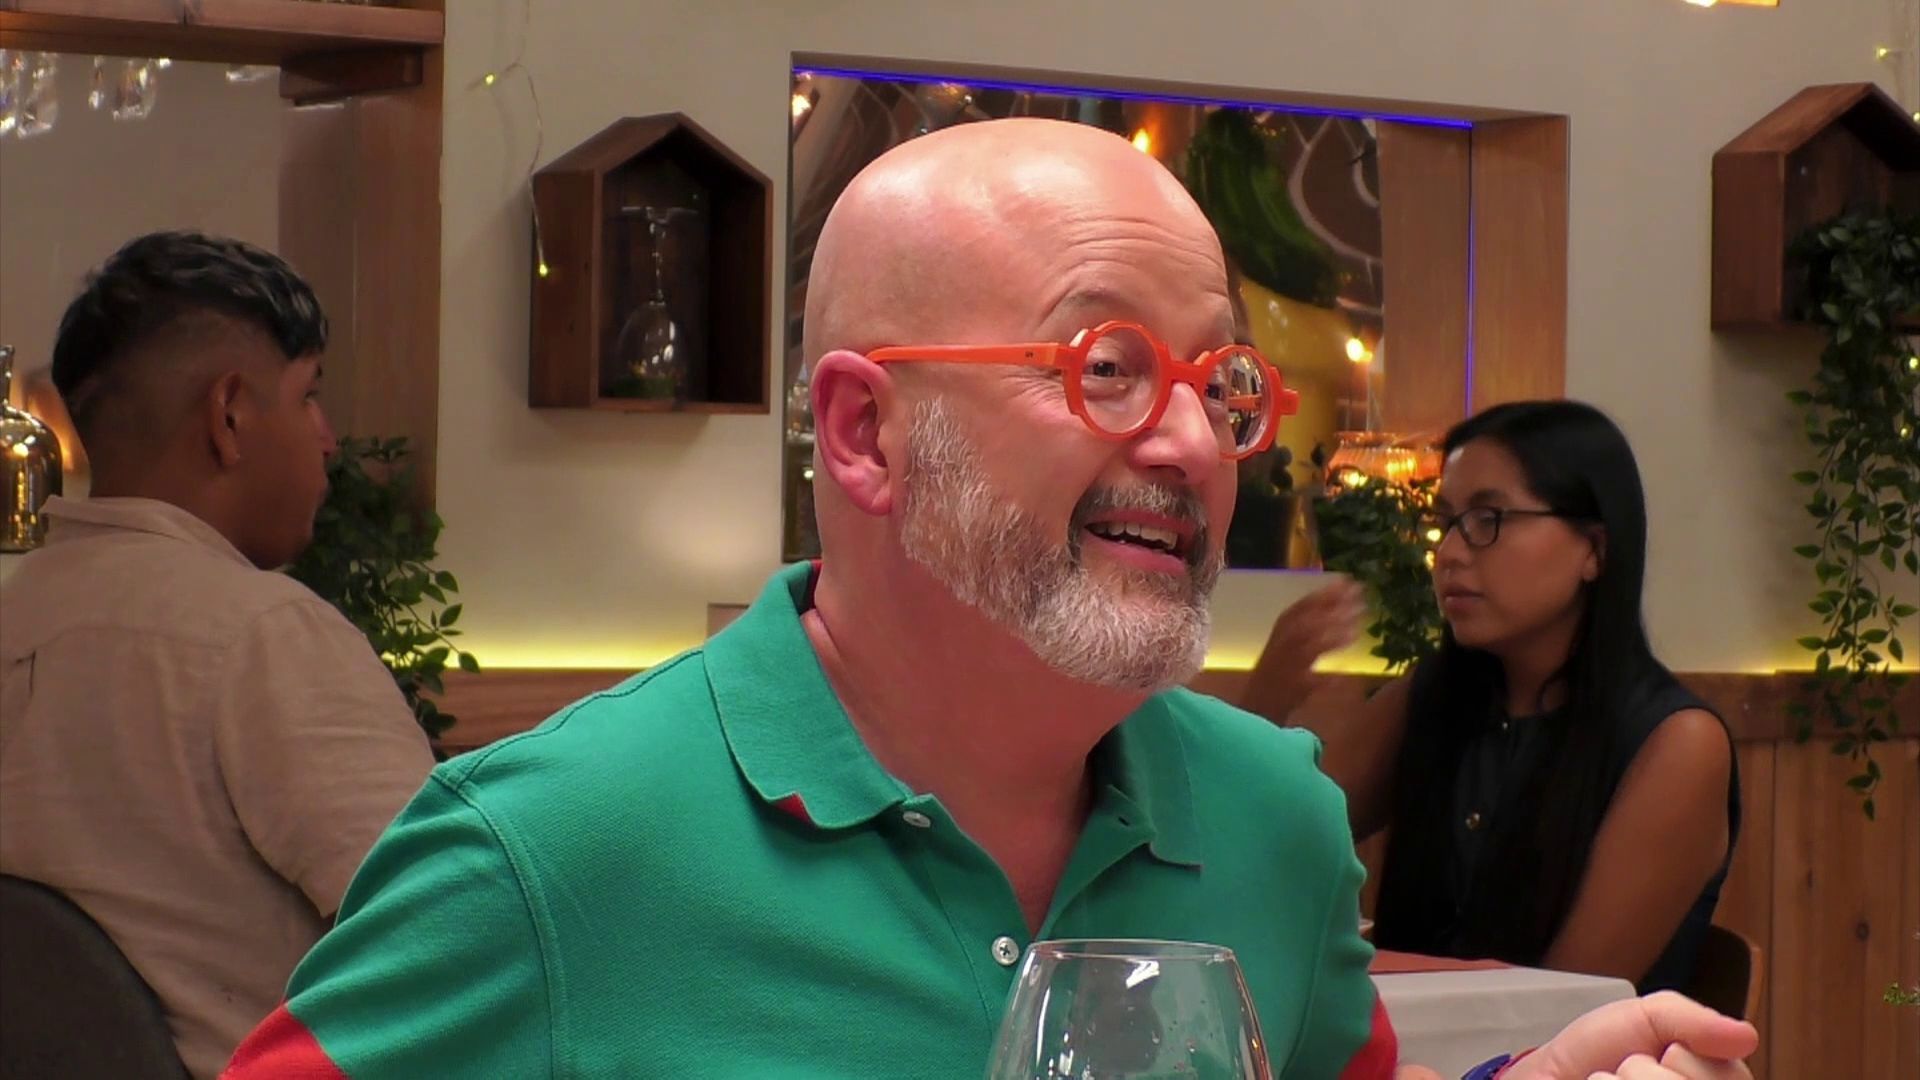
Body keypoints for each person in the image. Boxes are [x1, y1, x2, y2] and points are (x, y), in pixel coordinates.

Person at [222, 121, 1752, 1079]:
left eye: (1219, 381)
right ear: (864, 434)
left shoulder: (1272, 823)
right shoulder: (552, 852)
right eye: (1106, 367)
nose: (1192, 442)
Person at [0, 231, 437, 1078]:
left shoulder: (16, 613)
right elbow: (461, 935)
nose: (328, 439)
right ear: (229, 415)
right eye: (309, 396)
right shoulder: (264, 637)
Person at [1243, 400, 1739, 992]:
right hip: (1407, 1037)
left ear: (1594, 549)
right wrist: (1265, 699)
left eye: (1488, 520)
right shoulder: (1437, 695)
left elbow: (1565, 1005)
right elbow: (1272, 835)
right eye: (1446, 521)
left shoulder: (1677, 743)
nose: (1449, 553)